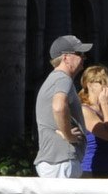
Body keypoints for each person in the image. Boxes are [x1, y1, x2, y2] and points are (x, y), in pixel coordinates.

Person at [34, 35, 91, 180]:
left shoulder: (55, 78)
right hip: (61, 161)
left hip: (56, 161)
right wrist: (68, 135)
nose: (84, 57)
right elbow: (59, 106)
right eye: (79, 54)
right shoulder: (62, 78)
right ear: (65, 58)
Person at [78, 64, 108, 177]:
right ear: (90, 85)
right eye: (102, 83)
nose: (107, 87)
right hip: (92, 169)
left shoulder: (102, 109)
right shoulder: (85, 110)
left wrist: (105, 107)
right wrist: (105, 104)